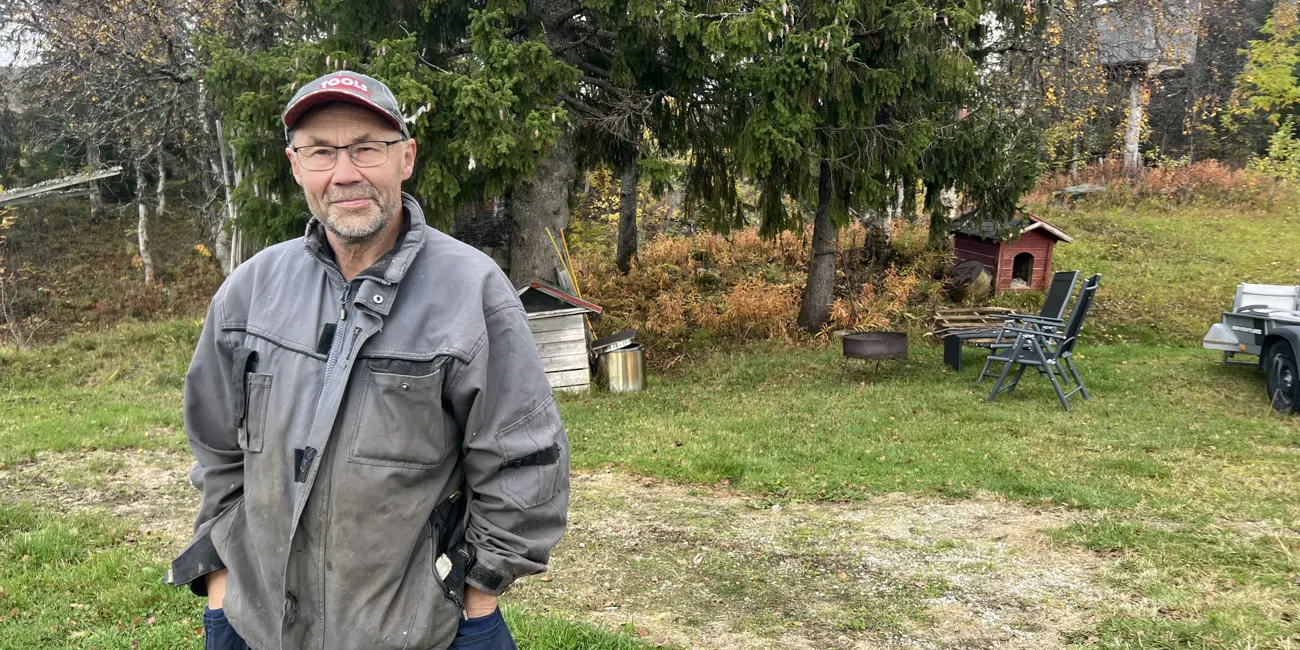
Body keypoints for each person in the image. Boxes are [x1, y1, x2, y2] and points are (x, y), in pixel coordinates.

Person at [167, 70, 570, 650]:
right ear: (295, 165)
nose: (345, 173)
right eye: (322, 152)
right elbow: (217, 450)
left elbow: (523, 460)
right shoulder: (252, 289)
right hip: (253, 626)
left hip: (421, 633)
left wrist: (478, 595)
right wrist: (221, 586)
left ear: (406, 158)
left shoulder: (472, 290)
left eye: (366, 149)